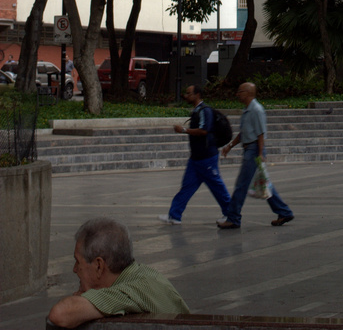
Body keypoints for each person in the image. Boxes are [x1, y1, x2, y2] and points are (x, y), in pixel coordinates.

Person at [47, 217, 189, 327]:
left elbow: (60, 314)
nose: (74, 269)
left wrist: (87, 298)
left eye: (78, 261)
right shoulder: (144, 275)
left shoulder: (131, 291)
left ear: (99, 266)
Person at [217, 81, 294, 230]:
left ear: (248, 93)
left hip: (253, 150)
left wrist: (260, 153)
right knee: (264, 183)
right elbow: (244, 132)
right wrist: (230, 146)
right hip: (250, 148)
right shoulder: (247, 110)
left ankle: (233, 218)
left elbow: (260, 134)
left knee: (241, 185)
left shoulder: (256, 110)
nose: (237, 94)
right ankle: (284, 211)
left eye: (240, 92)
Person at [158, 84, 230, 224]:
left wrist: (184, 130)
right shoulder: (197, 111)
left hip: (206, 157)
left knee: (217, 186)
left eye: (189, 93)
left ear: (197, 95)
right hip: (196, 158)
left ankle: (230, 213)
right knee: (187, 186)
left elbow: (204, 131)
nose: (186, 95)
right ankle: (174, 215)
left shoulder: (205, 111)